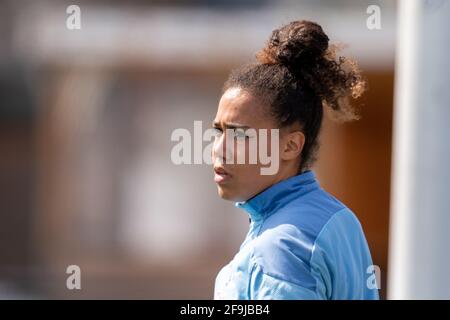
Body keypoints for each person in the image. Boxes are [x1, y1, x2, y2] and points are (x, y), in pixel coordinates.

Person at [212, 20, 379, 300]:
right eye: (218, 131)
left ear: (290, 145)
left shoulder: (281, 245)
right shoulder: (337, 218)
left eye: (239, 135)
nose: (219, 149)